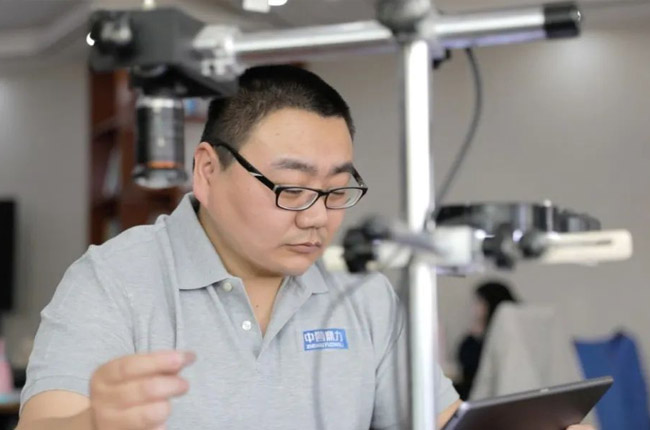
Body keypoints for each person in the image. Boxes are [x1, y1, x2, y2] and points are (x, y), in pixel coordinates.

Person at [16, 66, 592, 430]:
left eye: (337, 190)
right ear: (208, 171)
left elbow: (438, 421)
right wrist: (93, 423)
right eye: (291, 188)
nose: (318, 217)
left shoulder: (363, 293)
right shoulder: (114, 278)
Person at [455, 280, 518, 400]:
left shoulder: (495, 340)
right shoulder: (480, 337)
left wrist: (473, 337)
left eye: (479, 302)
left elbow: (471, 369)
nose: (474, 308)